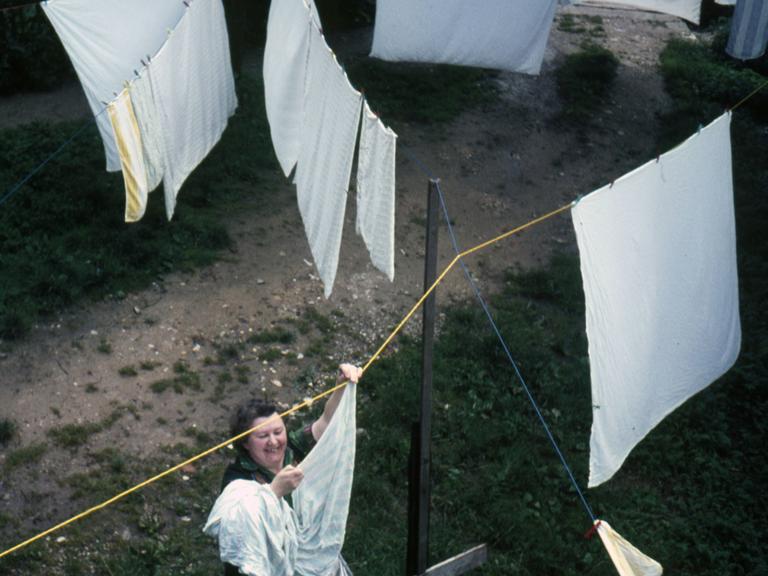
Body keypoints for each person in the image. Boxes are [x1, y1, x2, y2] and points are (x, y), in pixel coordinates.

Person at [217, 363, 362, 576]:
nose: (273, 442)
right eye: (263, 436)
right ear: (245, 443)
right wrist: (274, 491)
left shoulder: (292, 450)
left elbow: (326, 422)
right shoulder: (237, 478)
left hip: (313, 564)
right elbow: (237, 523)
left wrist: (340, 386)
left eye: (278, 431)